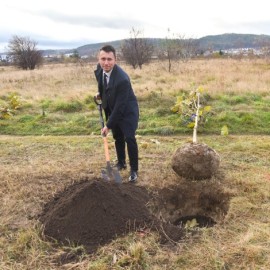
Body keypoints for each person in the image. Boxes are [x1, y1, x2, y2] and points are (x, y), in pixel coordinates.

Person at [94, 45, 139, 182]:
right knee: (118, 136)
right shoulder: (99, 70)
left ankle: (134, 171)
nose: (106, 63)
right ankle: (121, 163)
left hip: (127, 111)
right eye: (103, 59)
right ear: (99, 59)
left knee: (129, 138)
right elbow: (102, 84)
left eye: (109, 59)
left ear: (115, 60)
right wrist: (100, 94)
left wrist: (108, 125)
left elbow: (120, 107)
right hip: (112, 107)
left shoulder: (122, 79)